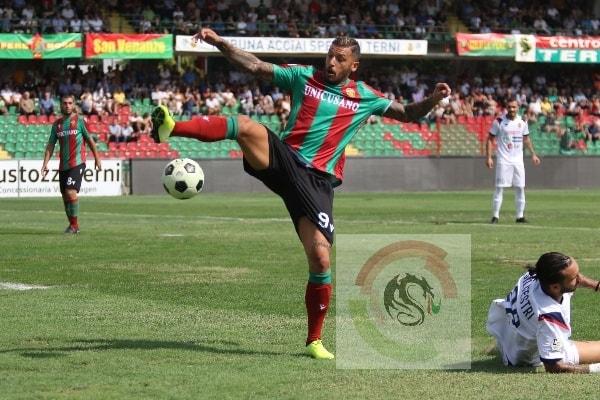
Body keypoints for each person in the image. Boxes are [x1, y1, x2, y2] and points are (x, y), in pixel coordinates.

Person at [150, 28, 451, 359]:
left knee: (320, 257)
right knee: (246, 126)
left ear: (354, 65)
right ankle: (172, 128)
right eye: (330, 54)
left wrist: (434, 100)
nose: (331, 62)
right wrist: (220, 43)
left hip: (317, 183)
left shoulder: (364, 96)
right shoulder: (304, 77)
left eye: (340, 58)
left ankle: (314, 340)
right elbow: (255, 66)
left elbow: (407, 113)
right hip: (285, 160)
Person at [486, 252, 600, 373]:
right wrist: (594, 369)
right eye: (574, 278)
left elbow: (573, 276)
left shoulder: (537, 274)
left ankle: (500, 349)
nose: (579, 279)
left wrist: (596, 285)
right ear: (555, 287)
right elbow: (554, 366)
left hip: (507, 335)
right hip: (525, 357)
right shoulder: (548, 315)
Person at [41, 94, 102, 234]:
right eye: (64, 103)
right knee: (64, 196)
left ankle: (74, 226)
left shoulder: (80, 121)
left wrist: (97, 159)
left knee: (70, 191)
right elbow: (50, 144)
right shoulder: (57, 125)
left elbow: (90, 141)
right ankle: (73, 226)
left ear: (74, 105)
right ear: (61, 105)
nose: (67, 105)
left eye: (70, 103)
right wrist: (45, 164)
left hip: (78, 163)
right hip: (63, 166)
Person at [486, 98, 541, 224]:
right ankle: (495, 216)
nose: (512, 109)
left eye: (514, 107)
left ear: (517, 108)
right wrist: (489, 157)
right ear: (506, 107)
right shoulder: (499, 121)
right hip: (503, 160)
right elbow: (490, 139)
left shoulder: (522, 121)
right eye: (509, 107)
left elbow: (526, 139)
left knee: (520, 188)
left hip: (518, 161)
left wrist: (533, 154)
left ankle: (520, 216)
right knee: (499, 188)